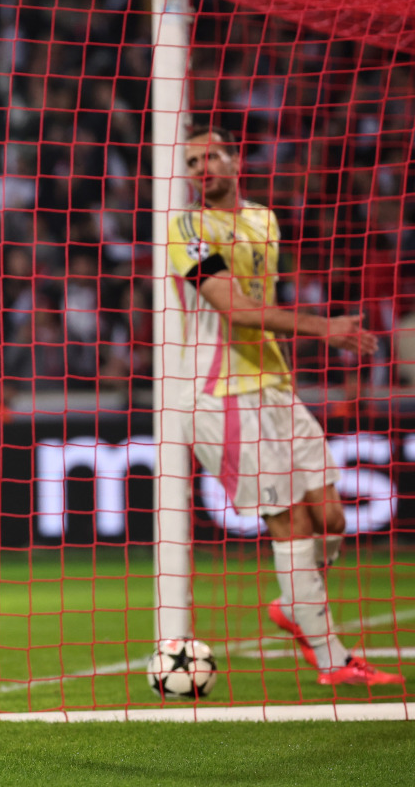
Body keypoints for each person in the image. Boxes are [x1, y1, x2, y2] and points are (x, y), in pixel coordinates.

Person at [167, 126, 403, 686]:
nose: (203, 168)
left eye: (212, 156)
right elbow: (237, 310)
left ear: (234, 159)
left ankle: (291, 605)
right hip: (219, 395)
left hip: (275, 386)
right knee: (291, 523)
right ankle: (335, 662)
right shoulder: (185, 229)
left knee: (332, 517)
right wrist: (326, 328)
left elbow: (263, 302)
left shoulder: (266, 220)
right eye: (193, 161)